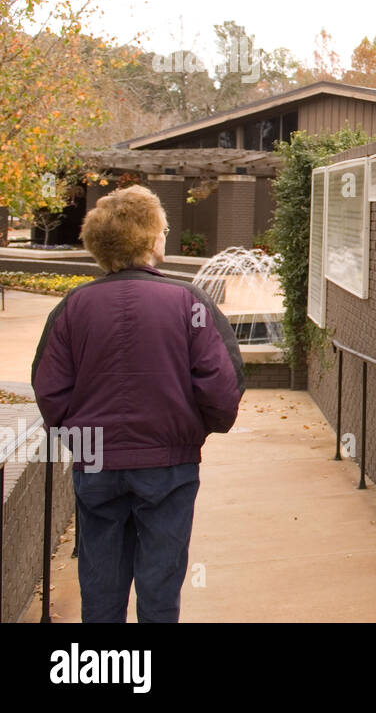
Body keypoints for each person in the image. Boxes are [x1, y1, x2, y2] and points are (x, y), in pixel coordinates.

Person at [32, 185, 244, 622]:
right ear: (149, 239)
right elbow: (221, 386)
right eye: (162, 229)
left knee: (100, 585)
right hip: (168, 465)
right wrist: (195, 429)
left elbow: (50, 389)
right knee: (161, 585)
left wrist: (82, 437)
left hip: (97, 467)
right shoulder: (189, 303)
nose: (165, 235)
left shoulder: (73, 307)